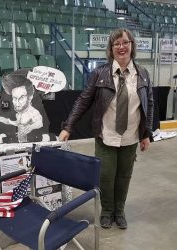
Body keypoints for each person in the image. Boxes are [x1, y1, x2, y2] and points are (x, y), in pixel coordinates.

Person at [59, 28, 154, 230]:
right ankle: (107, 211)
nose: (121, 47)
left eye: (125, 42)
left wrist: (146, 134)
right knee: (106, 176)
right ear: (111, 49)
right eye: (116, 43)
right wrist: (68, 127)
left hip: (130, 137)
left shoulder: (143, 74)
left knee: (124, 177)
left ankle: (119, 212)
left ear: (132, 45)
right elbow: (83, 101)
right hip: (106, 135)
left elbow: (149, 105)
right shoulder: (100, 73)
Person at [0, 74, 50, 143]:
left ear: (30, 97)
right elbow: (18, 124)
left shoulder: (33, 112)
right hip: (21, 143)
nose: (17, 104)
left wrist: (31, 127)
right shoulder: (18, 114)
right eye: (15, 98)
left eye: (21, 98)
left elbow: (40, 123)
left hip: (34, 143)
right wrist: (9, 122)